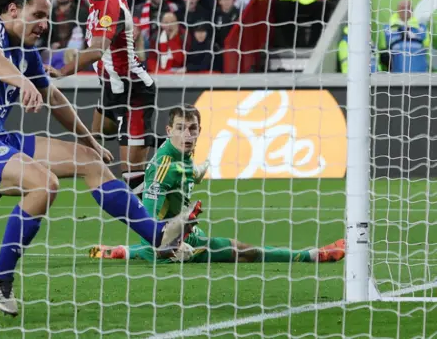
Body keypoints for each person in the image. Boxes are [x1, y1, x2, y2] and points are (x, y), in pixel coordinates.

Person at [0, 0, 202, 317]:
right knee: (44, 185)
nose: (44, 25)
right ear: (12, 10)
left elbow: (56, 102)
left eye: (47, 18)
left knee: (90, 162)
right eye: (37, 16)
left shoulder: (29, 54)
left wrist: (90, 140)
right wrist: (23, 83)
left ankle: (156, 235)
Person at [90, 105, 346, 265]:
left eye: (192, 128)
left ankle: (121, 251)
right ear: (169, 130)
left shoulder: (182, 155)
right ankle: (313, 255)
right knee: (244, 251)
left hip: (186, 234)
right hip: (177, 245)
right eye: (180, 128)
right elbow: (146, 218)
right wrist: (172, 246)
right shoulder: (165, 165)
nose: (187, 135)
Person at [46, 0, 157, 194]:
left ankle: (170, 160)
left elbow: (97, 50)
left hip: (133, 91)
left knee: (134, 180)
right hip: (110, 88)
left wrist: (61, 71)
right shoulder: (98, 4)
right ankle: (156, 142)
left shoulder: (110, 5)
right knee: (93, 141)